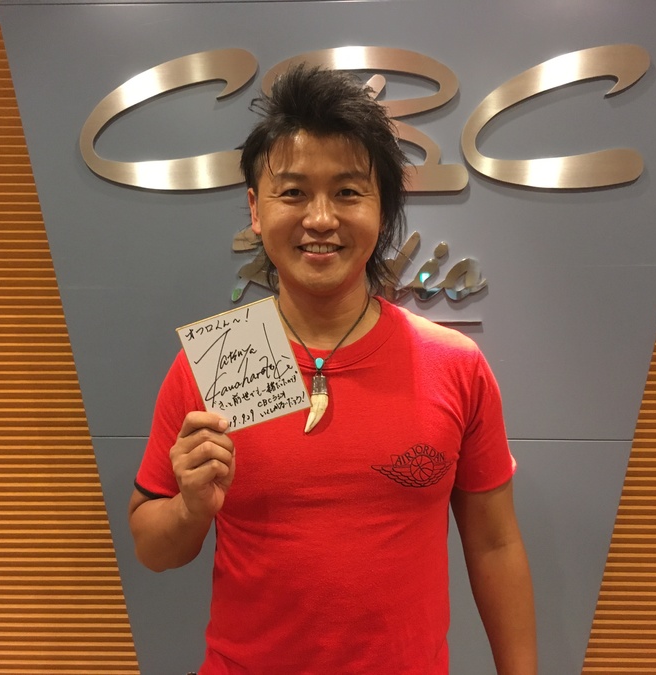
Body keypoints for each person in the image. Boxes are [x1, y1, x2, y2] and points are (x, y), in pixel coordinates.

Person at [128, 64, 537, 674]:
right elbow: (153, 549)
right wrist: (189, 509)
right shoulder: (218, 359)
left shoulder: (454, 365)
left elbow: (496, 545)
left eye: (348, 192)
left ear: (383, 207)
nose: (320, 219)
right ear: (255, 208)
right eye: (293, 192)